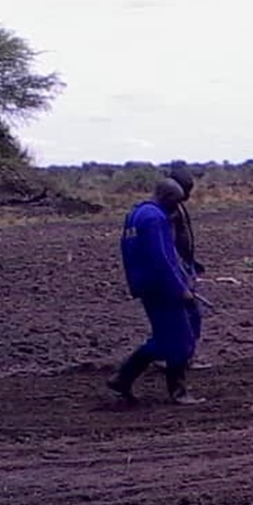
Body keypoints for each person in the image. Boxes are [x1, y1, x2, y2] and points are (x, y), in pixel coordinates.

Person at [107, 178, 204, 405]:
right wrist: (180, 288)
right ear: (168, 198)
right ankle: (178, 392)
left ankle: (122, 379)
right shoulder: (155, 218)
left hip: (147, 285)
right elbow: (161, 259)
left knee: (165, 338)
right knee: (181, 339)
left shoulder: (136, 214)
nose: (177, 209)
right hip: (162, 287)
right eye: (176, 202)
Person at [165, 166, 210, 370]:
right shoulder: (168, 210)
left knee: (187, 314)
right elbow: (169, 244)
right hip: (178, 269)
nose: (189, 194)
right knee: (186, 314)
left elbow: (184, 239)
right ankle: (177, 357)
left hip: (185, 265)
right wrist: (182, 270)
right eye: (186, 189)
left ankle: (180, 356)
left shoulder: (177, 206)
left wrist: (192, 261)